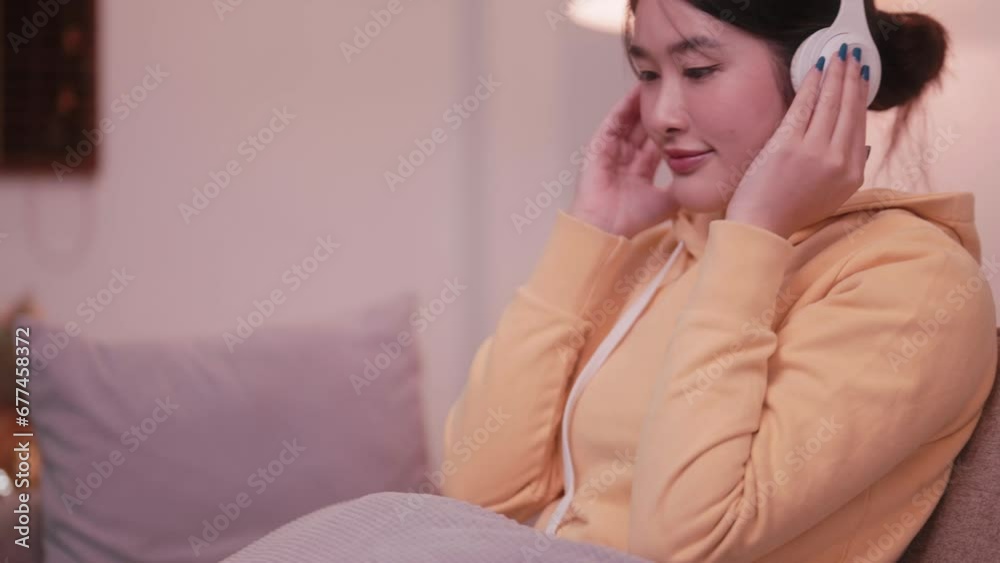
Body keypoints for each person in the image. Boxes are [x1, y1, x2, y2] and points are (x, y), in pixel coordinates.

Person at [439, 1, 998, 562]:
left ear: (825, 69)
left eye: (698, 70)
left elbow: (685, 545)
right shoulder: (660, 250)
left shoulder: (912, 282)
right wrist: (590, 234)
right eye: (648, 74)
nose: (661, 116)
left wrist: (753, 236)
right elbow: (476, 496)